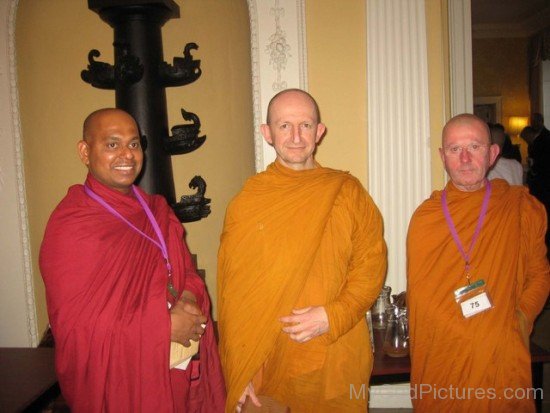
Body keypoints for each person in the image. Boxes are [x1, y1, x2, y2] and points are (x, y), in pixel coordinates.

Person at [39, 108, 225, 412]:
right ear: (85, 152)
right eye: (112, 144)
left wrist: (189, 298)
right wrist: (162, 327)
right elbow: (76, 328)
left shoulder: (155, 209)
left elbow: (186, 271)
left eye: (134, 143)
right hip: (120, 383)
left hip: (173, 368)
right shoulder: (71, 224)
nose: (127, 154)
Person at [217, 89, 387, 412]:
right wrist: (240, 368)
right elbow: (233, 296)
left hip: (336, 353)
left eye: (305, 125)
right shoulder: (248, 203)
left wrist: (331, 316)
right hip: (268, 359)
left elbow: (371, 265)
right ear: (267, 133)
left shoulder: (348, 193)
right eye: (284, 126)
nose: (296, 137)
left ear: (319, 131)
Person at [407, 113, 549, 412]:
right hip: (443, 357)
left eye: (475, 146)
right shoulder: (426, 218)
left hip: (502, 353)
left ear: (493, 153)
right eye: (455, 149)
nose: (466, 158)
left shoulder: (520, 207)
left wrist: (521, 319)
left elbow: (539, 273)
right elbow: (420, 300)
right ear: (442, 156)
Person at [528, 113, 550, 257]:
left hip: (544, 184)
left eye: (535, 121)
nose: (533, 123)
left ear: (541, 121)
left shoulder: (546, 138)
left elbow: (544, 162)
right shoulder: (540, 137)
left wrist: (534, 169)